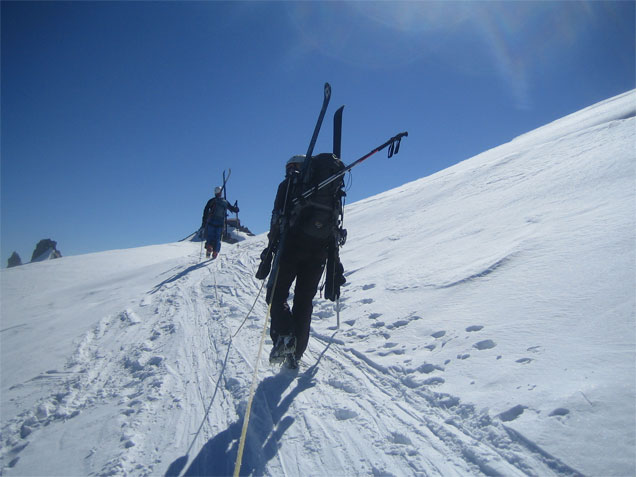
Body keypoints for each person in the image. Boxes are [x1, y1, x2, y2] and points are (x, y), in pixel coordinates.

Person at [256, 154, 345, 369]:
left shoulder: (289, 185)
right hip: (320, 252)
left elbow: (277, 219)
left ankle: (285, 337)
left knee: (276, 295)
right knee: (304, 302)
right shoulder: (330, 190)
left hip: (291, 247)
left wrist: (270, 251)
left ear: (294, 167)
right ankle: (296, 354)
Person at [201, 186, 239, 259]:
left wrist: (204, 221)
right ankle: (215, 252)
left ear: (215, 193)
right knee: (218, 238)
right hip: (220, 223)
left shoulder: (211, 201)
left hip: (211, 221)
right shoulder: (224, 201)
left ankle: (209, 246)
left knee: (210, 236)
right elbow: (232, 209)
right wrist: (236, 209)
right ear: (220, 193)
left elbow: (205, 210)